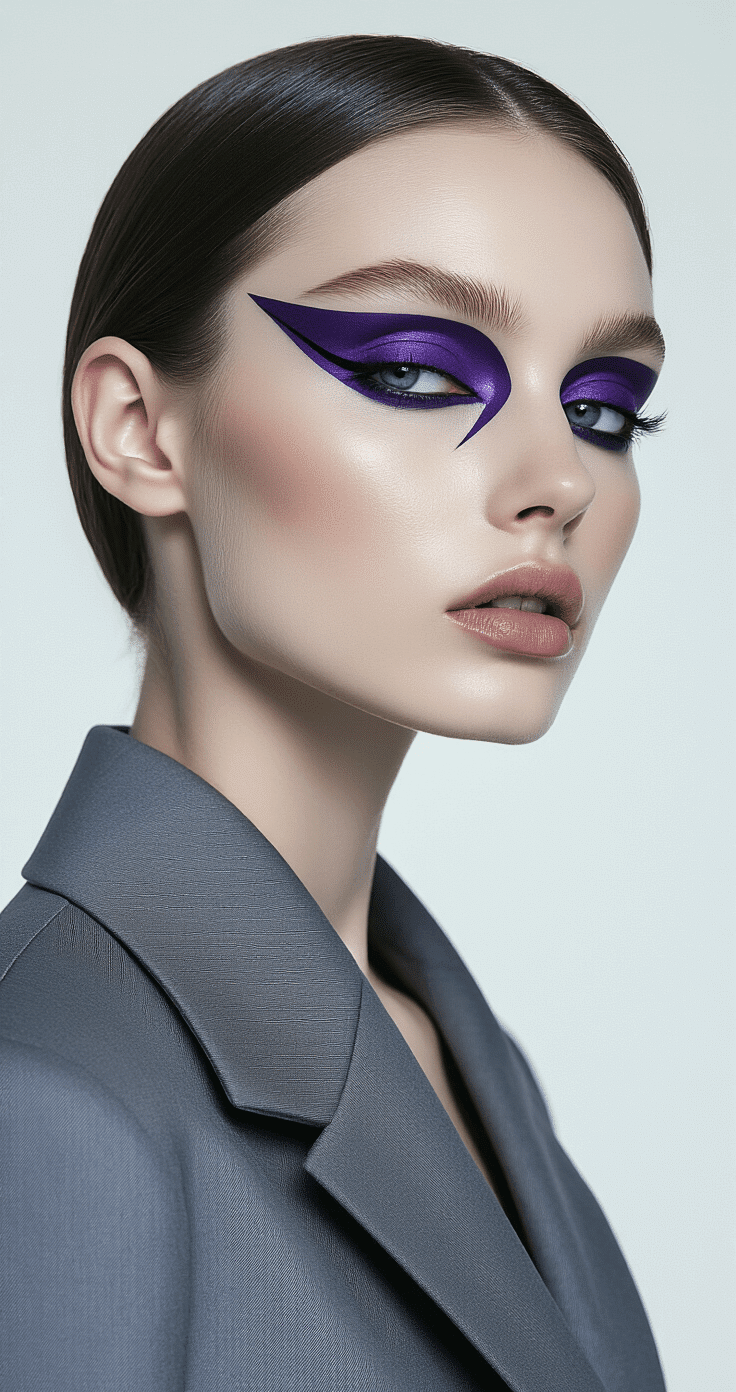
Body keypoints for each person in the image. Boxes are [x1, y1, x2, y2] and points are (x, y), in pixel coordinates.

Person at [0, 34, 667, 1391]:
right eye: (416, 371)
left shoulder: (471, 1064)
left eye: (605, 406)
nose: (559, 479)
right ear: (138, 428)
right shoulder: (44, 1106)